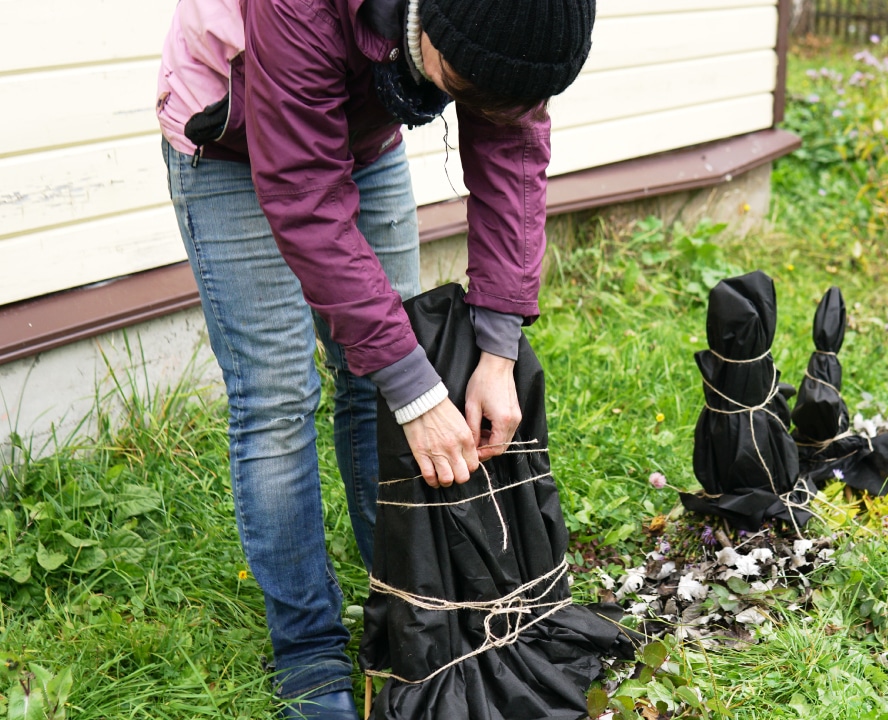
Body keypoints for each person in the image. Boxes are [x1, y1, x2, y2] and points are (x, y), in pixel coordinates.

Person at [155, 0, 595, 717]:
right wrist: (417, 392)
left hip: (362, 129)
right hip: (234, 135)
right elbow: (303, 188)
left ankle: (404, 597)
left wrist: (496, 344)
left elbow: (512, 149)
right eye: (464, 84)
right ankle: (308, 650)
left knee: (377, 382)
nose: (469, 107)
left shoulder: (511, 23)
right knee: (278, 401)